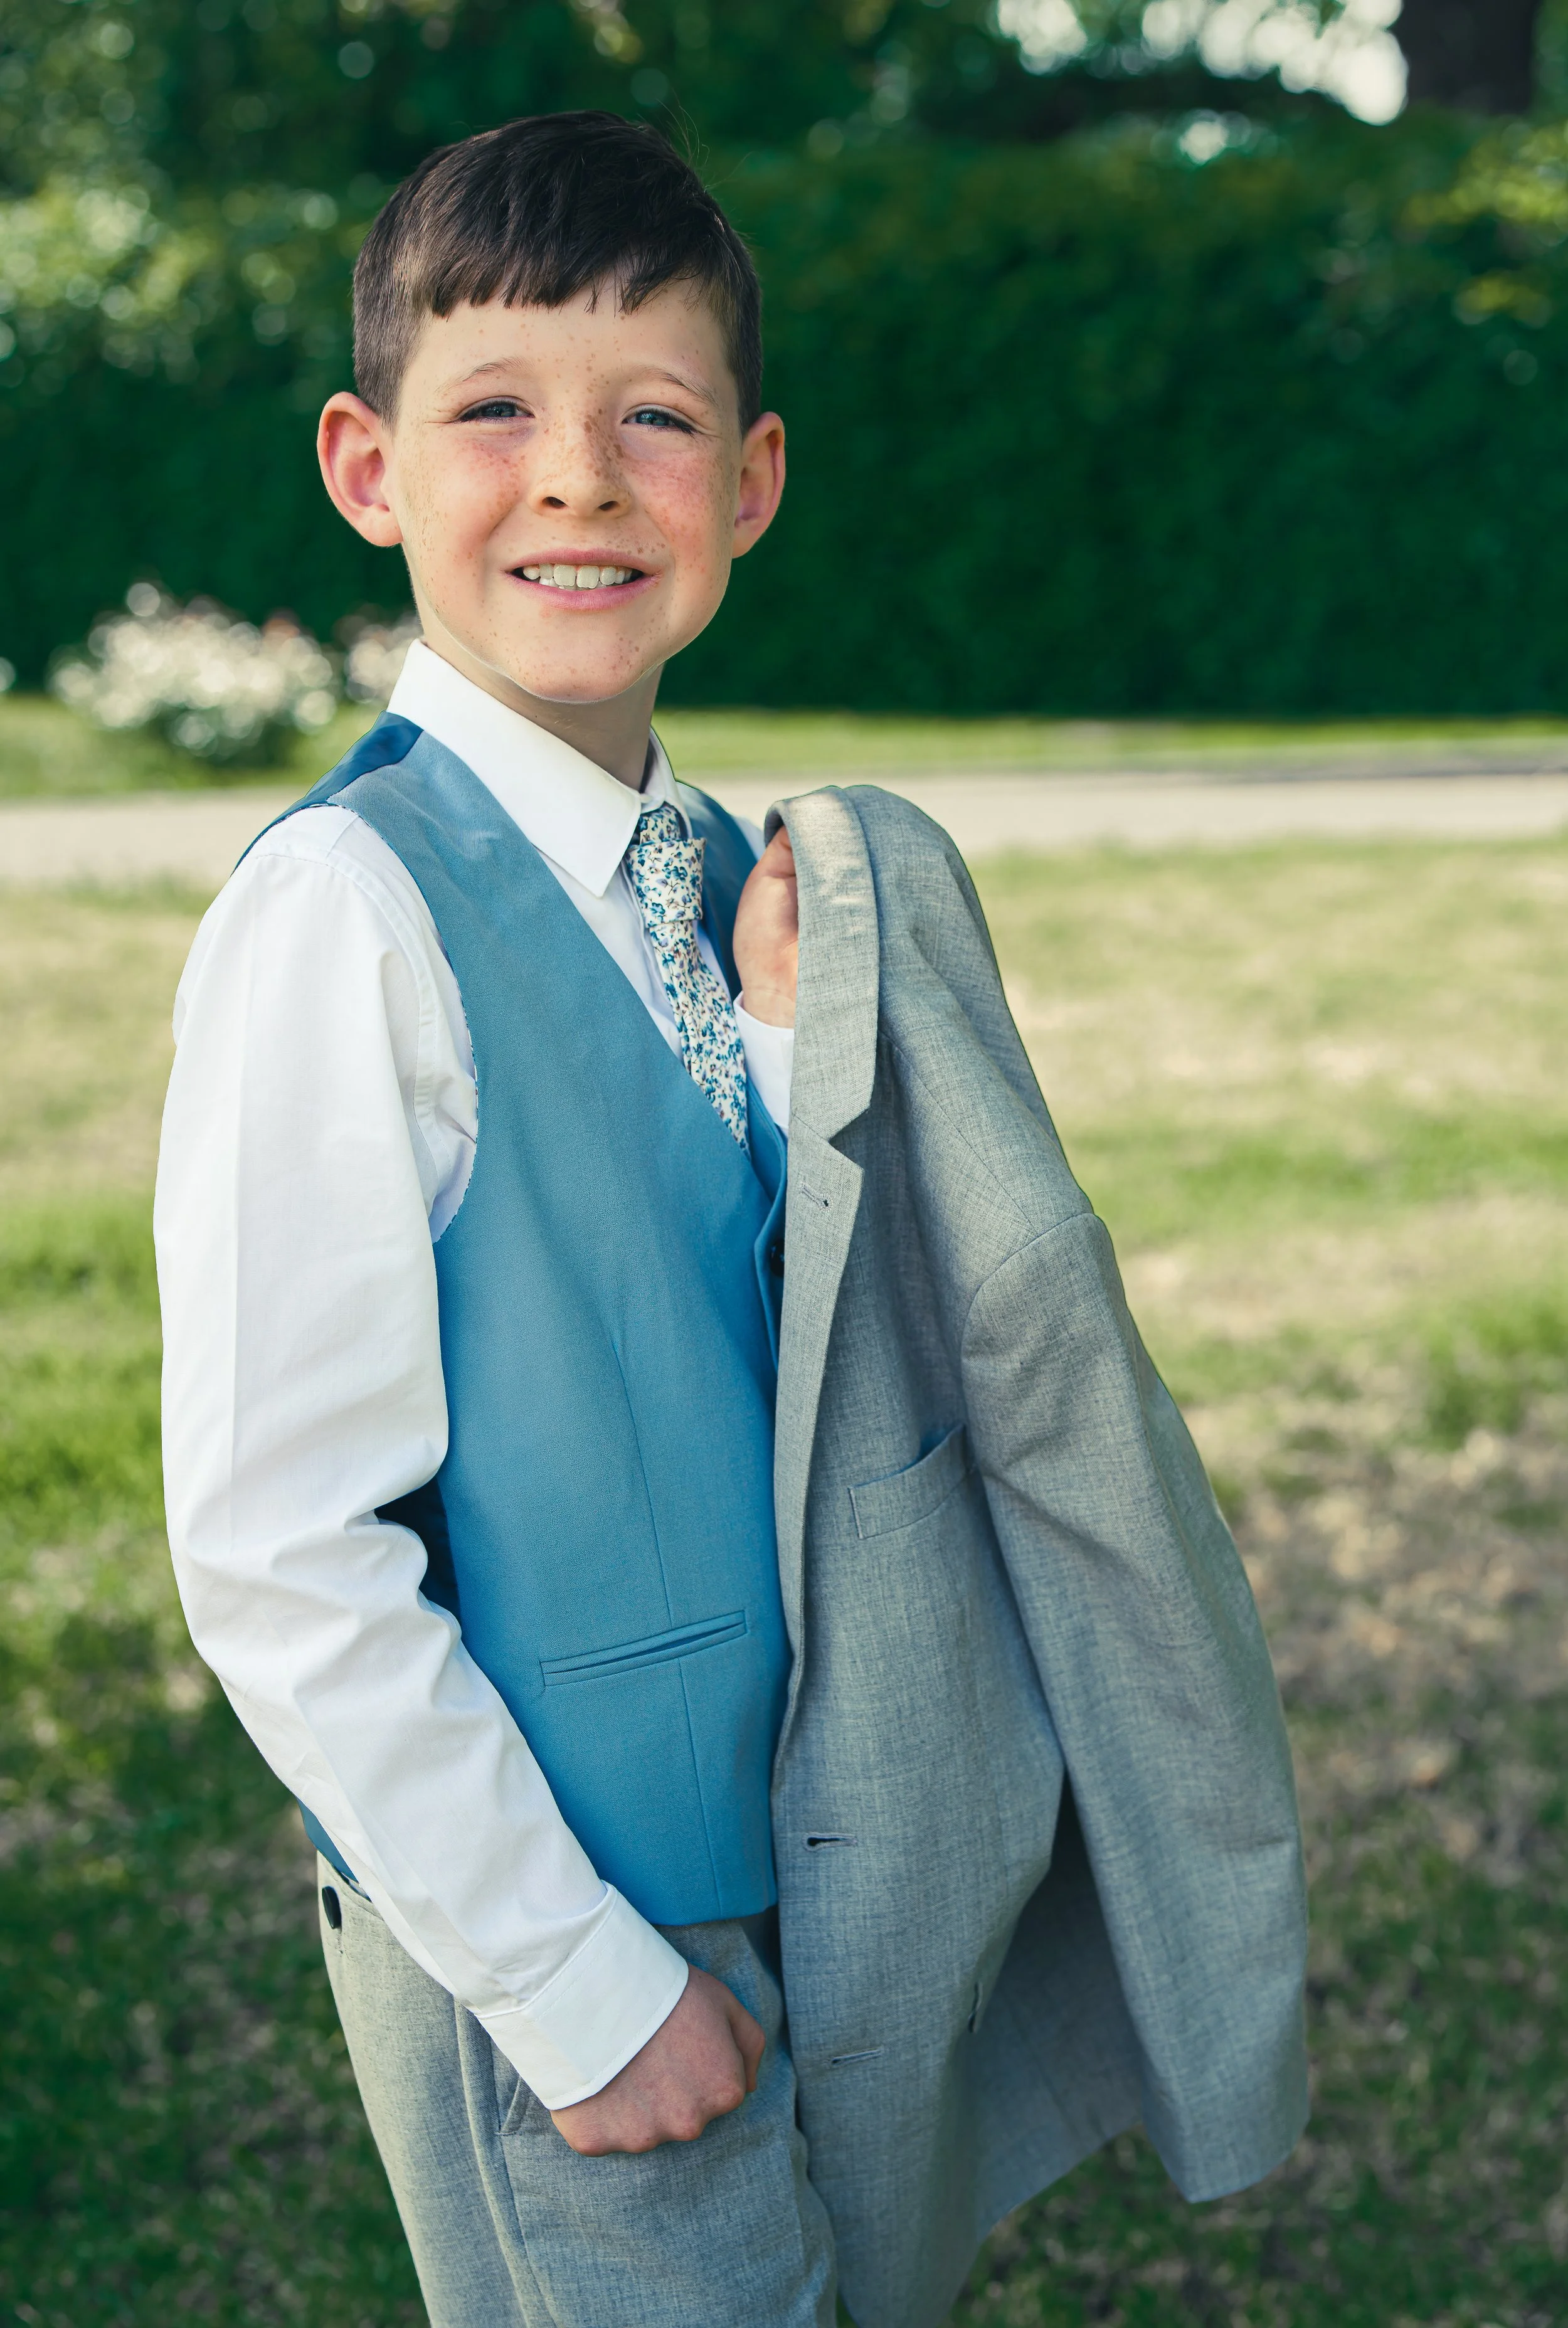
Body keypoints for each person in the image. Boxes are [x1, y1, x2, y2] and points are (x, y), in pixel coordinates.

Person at [156, 111, 1308, 2328]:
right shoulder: (346, 917)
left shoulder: (726, 885)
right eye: (491, 410)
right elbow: (281, 1551)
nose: (577, 478)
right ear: (365, 468)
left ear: (751, 482)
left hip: (805, 1877)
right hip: (564, 1930)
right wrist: (575, 1989)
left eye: (652, 419)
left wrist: (787, 1063)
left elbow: (756, 1335)